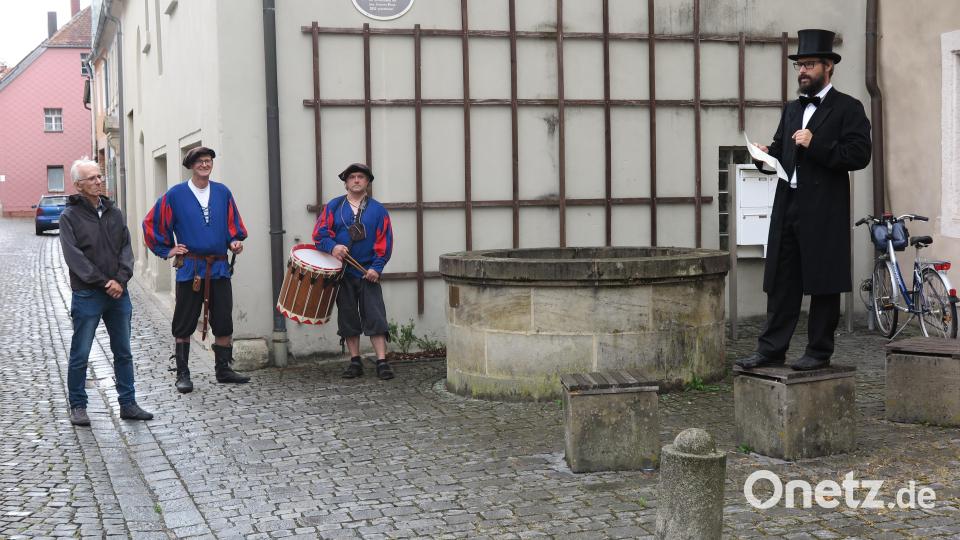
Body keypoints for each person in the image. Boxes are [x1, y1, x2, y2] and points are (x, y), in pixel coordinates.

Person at [737, 29, 872, 371]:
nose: (802, 71)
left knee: (823, 281)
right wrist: (764, 157)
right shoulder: (792, 109)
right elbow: (783, 149)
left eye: (810, 64)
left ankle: (818, 351)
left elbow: (859, 155)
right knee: (782, 281)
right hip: (788, 204)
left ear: (829, 67)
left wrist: (817, 144)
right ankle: (770, 349)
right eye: (800, 64)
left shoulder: (849, 108)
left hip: (824, 208)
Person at [143, 146, 250, 392]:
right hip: (190, 268)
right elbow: (152, 223)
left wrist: (234, 241)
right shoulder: (176, 195)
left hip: (219, 266)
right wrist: (167, 250)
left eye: (208, 160)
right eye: (200, 161)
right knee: (184, 320)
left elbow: (233, 225)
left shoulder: (223, 192)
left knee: (223, 319)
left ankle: (223, 369)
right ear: (191, 166)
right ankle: (182, 373)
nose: (205, 164)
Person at [59, 158, 153, 425]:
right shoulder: (70, 217)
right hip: (88, 294)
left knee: (123, 351)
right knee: (81, 352)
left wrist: (121, 280)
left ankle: (128, 403)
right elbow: (74, 258)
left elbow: (126, 248)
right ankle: (78, 405)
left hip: (118, 294)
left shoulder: (114, 212)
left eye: (100, 176)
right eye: (92, 178)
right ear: (78, 185)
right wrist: (104, 282)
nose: (99, 181)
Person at [313, 163, 395, 380]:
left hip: (368, 273)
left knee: (376, 317)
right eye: (352, 177)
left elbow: (384, 242)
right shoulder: (333, 207)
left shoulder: (378, 210)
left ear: (367, 182)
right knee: (348, 318)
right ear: (346, 182)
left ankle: (381, 361)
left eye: (361, 177)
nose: (356, 180)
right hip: (343, 274)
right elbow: (320, 235)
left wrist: (376, 268)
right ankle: (355, 361)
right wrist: (334, 247)